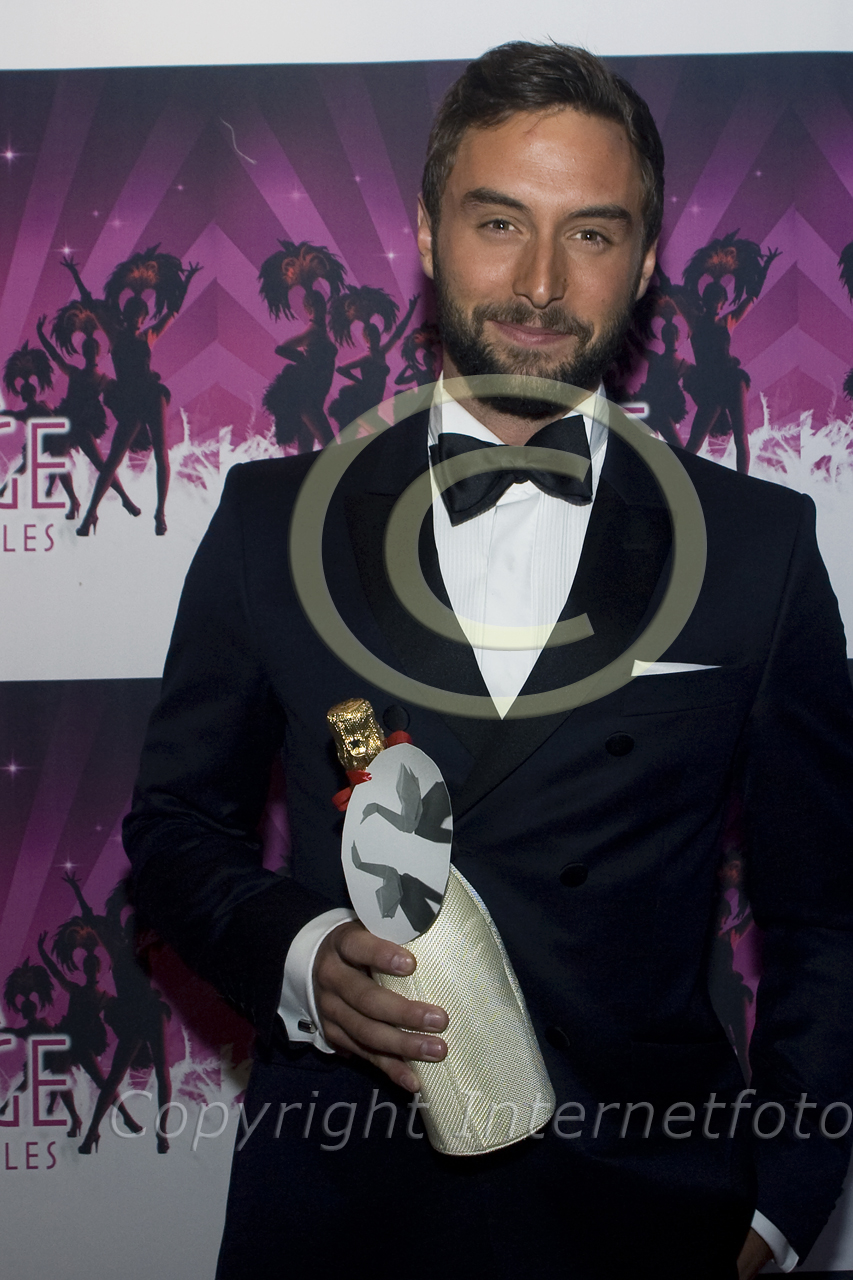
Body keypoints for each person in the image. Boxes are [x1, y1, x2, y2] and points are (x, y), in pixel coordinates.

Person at [124, 42, 853, 1280]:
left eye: (591, 233)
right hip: (340, 1208)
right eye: (498, 221)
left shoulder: (756, 546)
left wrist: (781, 1198)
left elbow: (823, 908)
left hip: (649, 1209)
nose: (539, 281)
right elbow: (176, 826)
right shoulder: (271, 522)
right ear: (426, 231)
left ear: (647, 258)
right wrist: (301, 955)